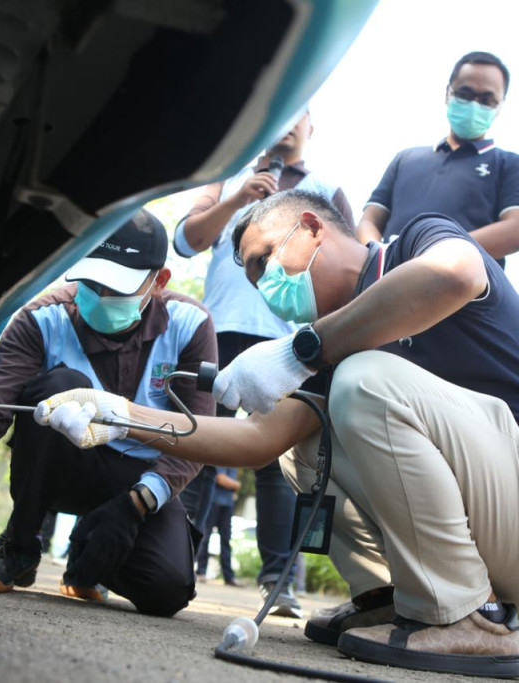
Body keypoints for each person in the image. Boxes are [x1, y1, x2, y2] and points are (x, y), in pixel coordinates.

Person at [37, 189, 519, 679]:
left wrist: (301, 350)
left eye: (266, 259)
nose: (266, 285)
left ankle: (465, 619)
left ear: (311, 227)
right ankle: (388, 597)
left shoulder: (417, 243)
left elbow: (457, 274)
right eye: (254, 278)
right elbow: (258, 440)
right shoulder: (335, 349)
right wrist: (119, 414)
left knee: (364, 382)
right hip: (501, 531)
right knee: (304, 443)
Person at [0, 209, 217, 618]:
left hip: (138, 477)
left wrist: (137, 503)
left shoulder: (190, 325)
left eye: (116, 286)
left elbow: (196, 436)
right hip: (62, 464)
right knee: (61, 387)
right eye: (91, 282)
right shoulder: (40, 318)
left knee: (166, 590)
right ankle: (20, 543)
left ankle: (87, 559)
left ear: (159, 281)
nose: (100, 295)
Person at [173, 109, 355, 618]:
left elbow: (350, 257)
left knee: (278, 462)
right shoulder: (228, 175)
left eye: (301, 115)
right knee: (197, 444)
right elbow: (185, 241)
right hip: (217, 332)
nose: (289, 123)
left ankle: (279, 579)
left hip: (287, 343)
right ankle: (175, 558)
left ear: (311, 128)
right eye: (283, 111)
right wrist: (239, 197)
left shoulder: (324, 188)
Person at [355, 51, 519, 269]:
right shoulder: (406, 159)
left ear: (499, 106)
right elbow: (369, 220)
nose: (474, 105)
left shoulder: (511, 165)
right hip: (385, 279)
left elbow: (517, 230)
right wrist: (380, 255)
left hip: (462, 285)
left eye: (486, 100)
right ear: (448, 93)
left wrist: (433, 253)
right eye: (465, 94)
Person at [196, 467, 244, 587]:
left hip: (228, 504)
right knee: (205, 538)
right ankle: (200, 571)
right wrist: (236, 485)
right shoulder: (224, 458)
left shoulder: (236, 464)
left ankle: (229, 576)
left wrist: (232, 485)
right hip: (213, 501)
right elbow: (219, 478)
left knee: (226, 540)